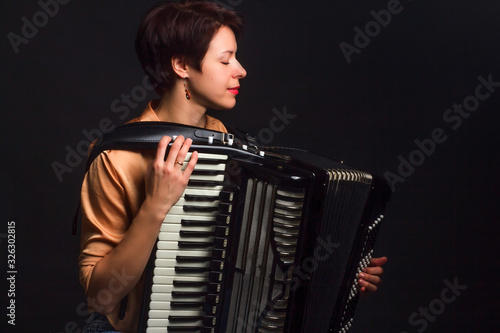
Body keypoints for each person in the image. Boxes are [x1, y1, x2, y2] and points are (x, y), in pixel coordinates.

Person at [78, 1, 386, 332]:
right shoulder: (116, 157)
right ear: (182, 65)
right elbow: (100, 298)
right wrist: (155, 207)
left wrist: (340, 270)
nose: (240, 70)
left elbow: (257, 261)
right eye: (225, 60)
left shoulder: (233, 146)